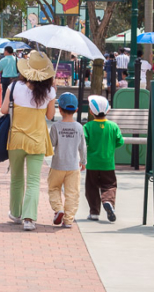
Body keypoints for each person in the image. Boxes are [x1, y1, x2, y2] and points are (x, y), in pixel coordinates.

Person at [1, 50, 56, 231]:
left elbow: (3, 110)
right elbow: (50, 115)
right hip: (37, 140)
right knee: (33, 180)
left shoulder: (14, 87)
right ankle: (29, 219)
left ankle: (15, 213)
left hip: (16, 138)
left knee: (16, 178)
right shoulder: (49, 92)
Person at [48, 93, 87, 228]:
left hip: (57, 164)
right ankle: (68, 219)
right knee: (72, 193)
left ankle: (59, 209)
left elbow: (51, 144)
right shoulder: (79, 127)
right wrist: (83, 161)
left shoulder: (55, 127)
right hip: (73, 165)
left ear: (60, 109)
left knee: (54, 188)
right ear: (76, 110)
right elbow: (82, 147)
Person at [84, 95, 124, 222]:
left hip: (92, 163)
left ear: (91, 111)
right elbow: (120, 142)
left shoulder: (88, 126)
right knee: (109, 185)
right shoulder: (113, 126)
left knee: (91, 187)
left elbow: (84, 142)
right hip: (108, 163)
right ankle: (108, 201)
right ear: (108, 111)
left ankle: (94, 212)